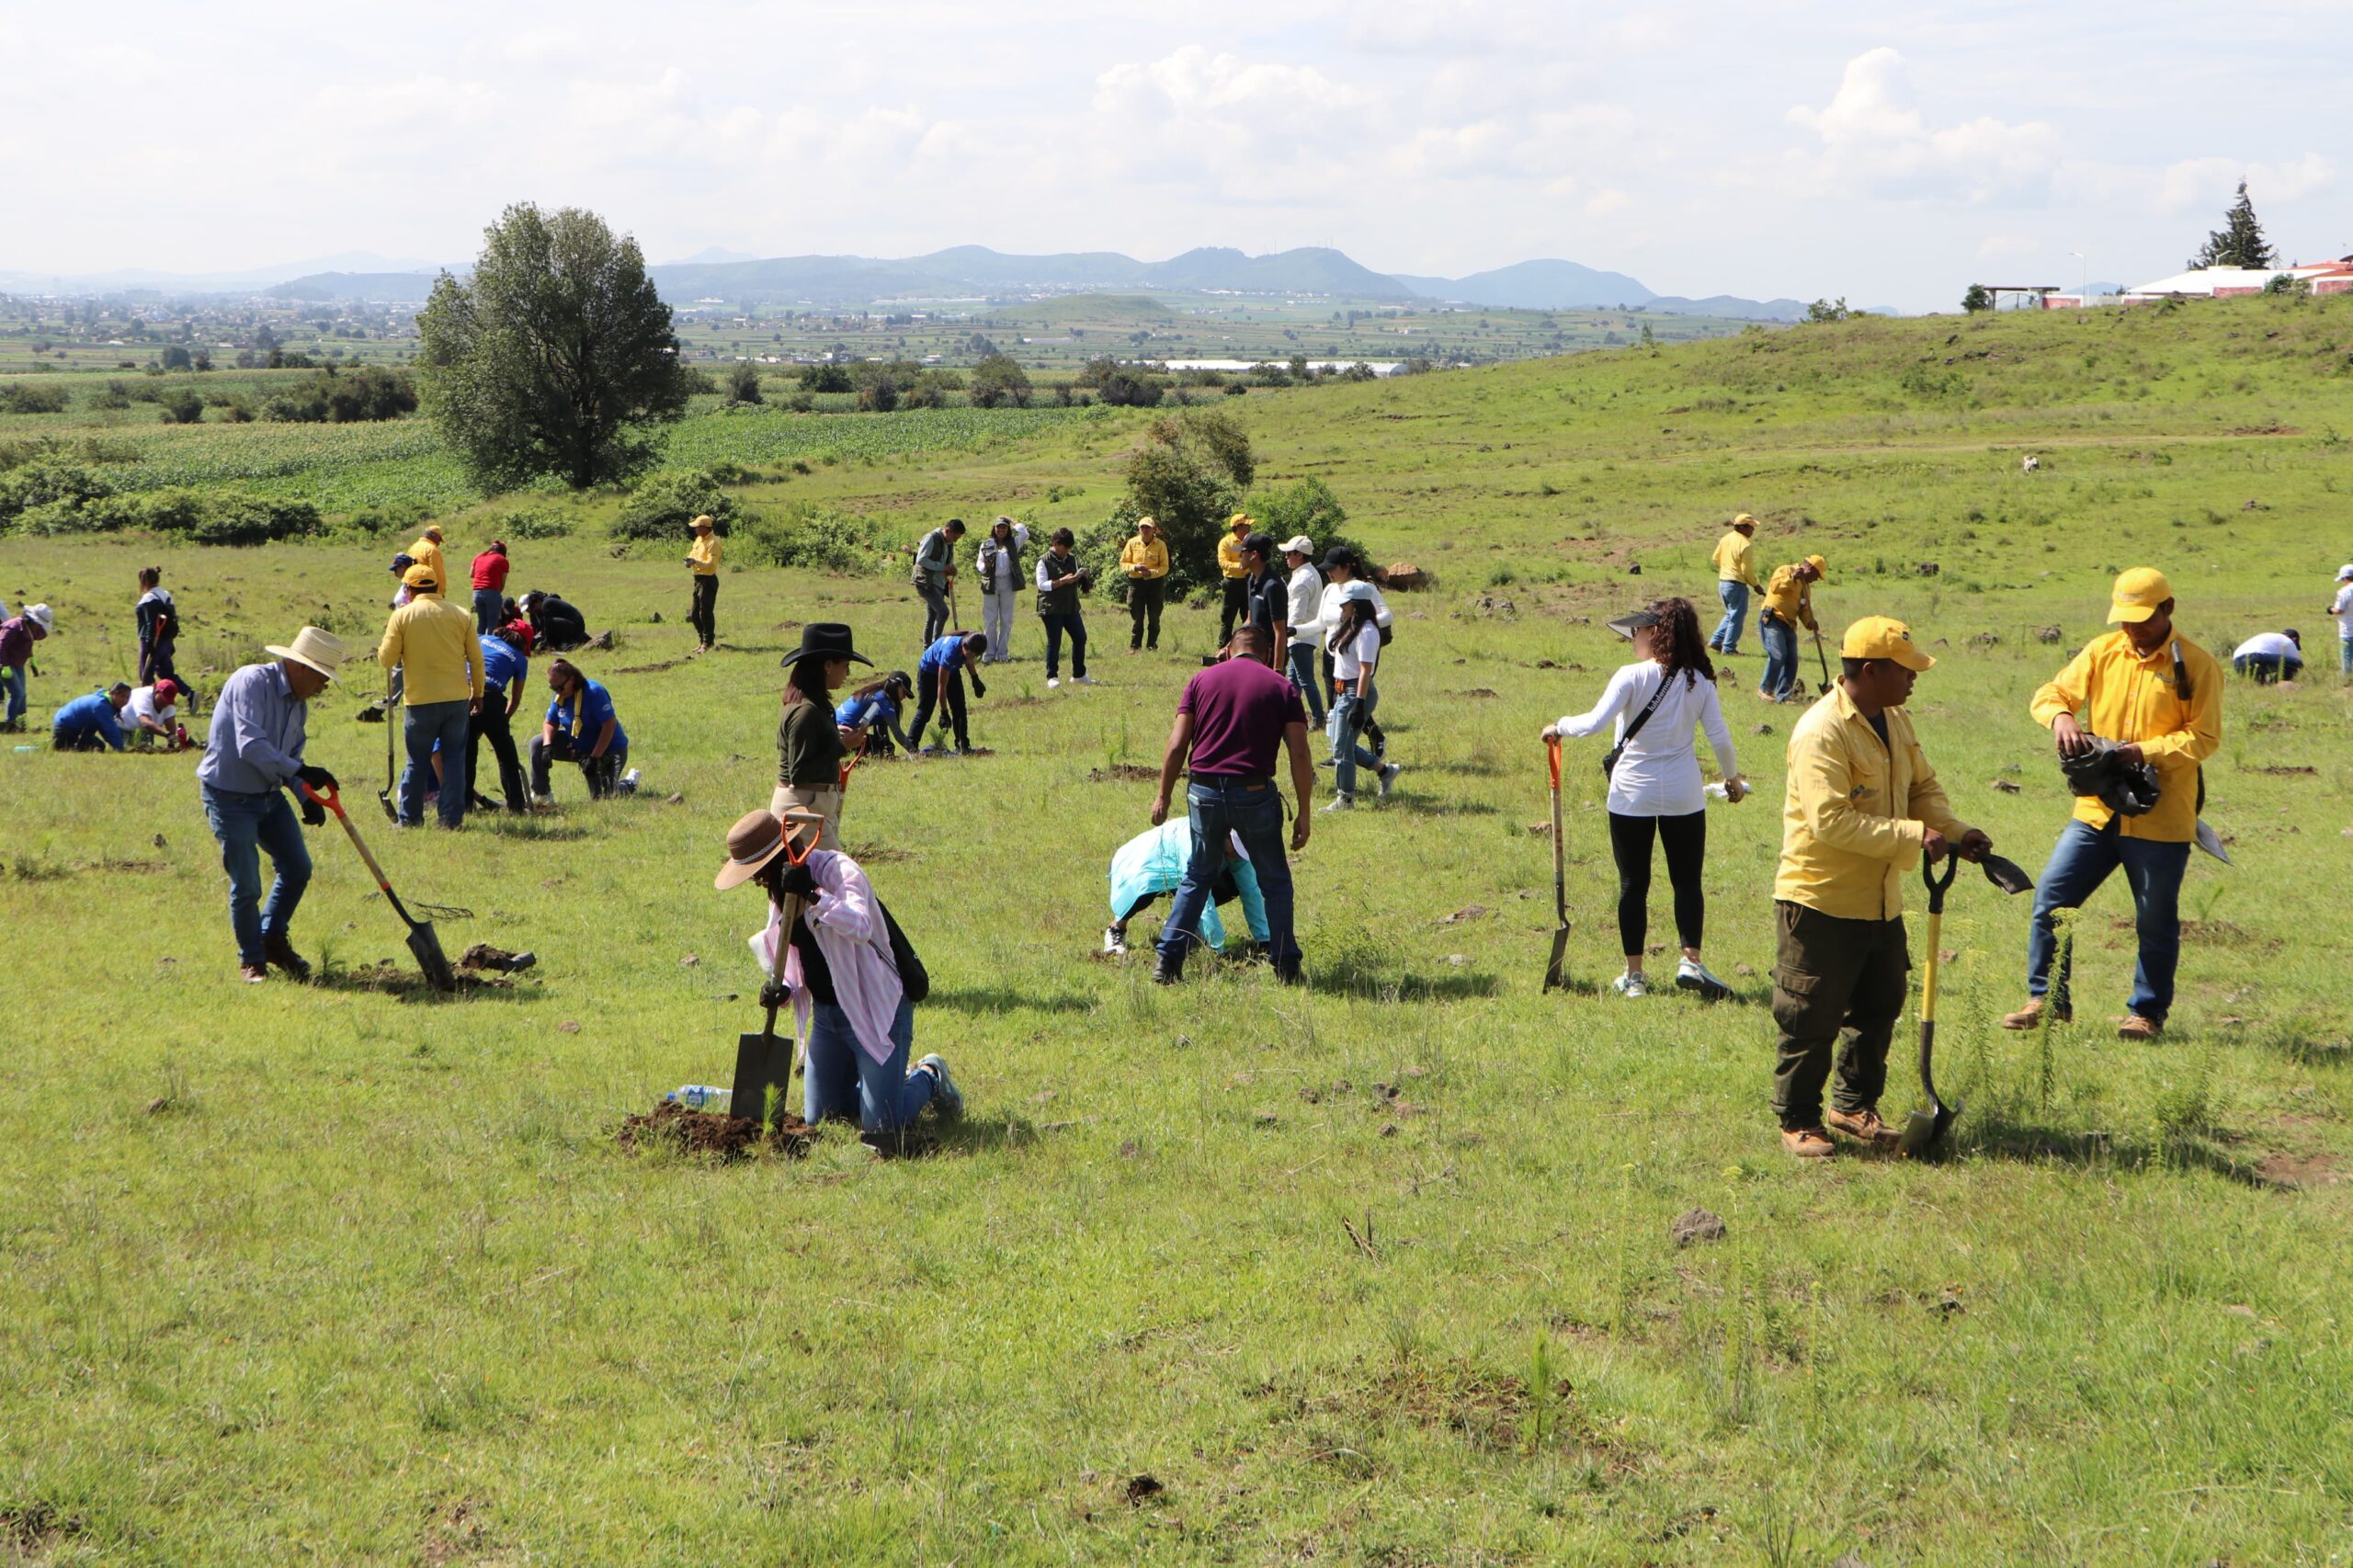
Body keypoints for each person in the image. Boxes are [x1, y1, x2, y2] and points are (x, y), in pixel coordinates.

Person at [1770, 616, 1991, 1157]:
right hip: (1820, 899)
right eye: (1905, 670)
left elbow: (1922, 789)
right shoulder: (1822, 731)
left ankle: (1853, 1105)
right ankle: (1799, 1119)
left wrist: (1956, 831)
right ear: (1870, 671)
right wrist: (1915, 836)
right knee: (1811, 1014)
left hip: (1881, 900)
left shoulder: (1896, 720)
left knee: (1879, 1006)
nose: (1914, 678)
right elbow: (1831, 821)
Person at [2002, 568, 2223, 1043]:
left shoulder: (2197, 665)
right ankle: (2047, 1000)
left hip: (2162, 816)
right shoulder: (2102, 651)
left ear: (2168, 609)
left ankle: (2147, 1013)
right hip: (2097, 810)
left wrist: (2143, 751)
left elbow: (2204, 738)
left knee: (2154, 919)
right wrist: (2062, 716)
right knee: (2052, 900)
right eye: (2125, 618)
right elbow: (2051, 694)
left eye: (2142, 619)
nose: (2132, 628)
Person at [1545, 600, 1746, 999]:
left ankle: (1634, 976)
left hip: (1631, 794)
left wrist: (1558, 726)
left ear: (1655, 633)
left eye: (1637, 631)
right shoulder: (1700, 682)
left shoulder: (1631, 676)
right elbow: (1720, 738)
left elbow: (1594, 723)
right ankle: (1690, 961)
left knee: (1633, 885)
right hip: (1683, 794)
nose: (1633, 638)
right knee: (1687, 882)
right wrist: (1732, 780)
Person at [716, 810, 962, 1135]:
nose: (757, 882)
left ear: (776, 859)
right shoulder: (781, 888)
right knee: (823, 1118)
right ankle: (877, 1088)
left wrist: (813, 893)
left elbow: (860, 925)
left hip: (875, 1011)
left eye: (758, 874)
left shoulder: (838, 871)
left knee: (881, 1128)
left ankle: (929, 1075)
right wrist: (784, 988)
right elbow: (795, 952)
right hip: (828, 1020)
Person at [1149, 624, 1313, 983]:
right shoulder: (1282, 687)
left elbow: (1177, 745)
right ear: (1267, 654)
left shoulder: (1200, 681)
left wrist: (1163, 795)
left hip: (1204, 791)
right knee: (1274, 880)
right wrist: (1304, 812)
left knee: (1198, 876)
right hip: (1254, 793)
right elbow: (1300, 754)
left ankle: (1167, 961)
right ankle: (1286, 965)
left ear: (1228, 649)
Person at [196, 626, 346, 983]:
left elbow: (289, 757)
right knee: (247, 883)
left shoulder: (298, 707)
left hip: (268, 797)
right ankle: (252, 960)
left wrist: (304, 794)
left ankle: (271, 938)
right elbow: (251, 745)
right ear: (302, 668)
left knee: (298, 867)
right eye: (322, 678)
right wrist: (300, 771)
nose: (323, 687)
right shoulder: (251, 682)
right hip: (229, 798)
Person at [377, 565, 483, 829]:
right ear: (437, 586)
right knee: (454, 760)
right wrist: (478, 693)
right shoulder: (461, 614)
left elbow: (387, 659)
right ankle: (450, 820)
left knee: (417, 761)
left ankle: (410, 819)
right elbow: (476, 660)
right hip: (456, 699)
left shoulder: (402, 616)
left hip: (420, 701)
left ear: (408, 590)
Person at [1106, 818, 1269, 957]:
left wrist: (1265, 940)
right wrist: (1218, 948)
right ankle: (1116, 930)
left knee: (1232, 884)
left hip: (1184, 871)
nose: (1234, 857)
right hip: (1140, 864)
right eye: (1234, 851)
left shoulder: (1237, 850)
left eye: (1240, 853)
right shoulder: (1196, 844)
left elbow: (1251, 891)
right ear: (1225, 835)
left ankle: (1179, 926)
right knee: (1144, 891)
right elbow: (1202, 898)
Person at [773, 622, 870, 847]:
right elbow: (800, 773)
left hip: (812, 805)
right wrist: (842, 746)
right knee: (840, 870)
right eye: (845, 665)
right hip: (803, 807)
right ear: (827, 665)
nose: (848, 673)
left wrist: (834, 737)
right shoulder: (805, 712)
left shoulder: (812, 706)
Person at [1321, 585, 1400, 810]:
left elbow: (1366, 670)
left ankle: (1345, 798)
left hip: (1355, 692)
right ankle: (1385, 771)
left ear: (1357, 605)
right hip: (1343, 691)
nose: (1342, 607)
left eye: (1346, 603)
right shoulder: (1350, 626)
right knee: (1341, 745)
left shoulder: (1367, 632)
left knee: (1341, 748)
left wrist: (1359, 703)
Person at [1308, 551, 1393, 746]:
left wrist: (1357, 624)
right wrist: (1294, 630)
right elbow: (1320, 623)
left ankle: (1359, 744)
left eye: (1333, 568)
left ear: (1347, 567)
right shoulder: (1329, 589)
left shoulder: (1363, 589)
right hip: (1332, 655)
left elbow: (1388, 616)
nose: (1329, 573)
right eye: (1326, 569)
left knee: (1353, 701)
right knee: (1335, 705)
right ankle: (1340, 749)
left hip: (1354, 654)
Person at [532, 658, 629, 802]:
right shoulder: (559, 696)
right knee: (537, 743)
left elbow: (609, 724)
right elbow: (550, 722)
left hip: (608, 749)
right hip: (579, 747)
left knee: (602, 798)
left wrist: (594, 758)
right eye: (553, 688)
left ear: (571, 679)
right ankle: (542, 794)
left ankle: (628, 784)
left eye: (560, 688)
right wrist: (547, 747)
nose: (557, 692)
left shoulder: (594, 692)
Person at [466, 623, 531, 812]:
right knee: (506, 757)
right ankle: (516, 806)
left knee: (466, 755)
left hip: (465, 694)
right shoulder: (520, 659)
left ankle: (465, 806)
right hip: (493, 700)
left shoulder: (482, 639)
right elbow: (516, 699)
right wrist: (504, 719)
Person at [1757, 554, 1825, 702]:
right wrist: (1793, 578)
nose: (1816, 579)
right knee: (1778, 655)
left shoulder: (1806, 588)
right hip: (1773, 618)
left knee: (1792, 661)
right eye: (1816, 575)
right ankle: (1765, 690)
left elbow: (1804, 609)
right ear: (1810, 568)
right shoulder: (1786, 570)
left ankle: (1784, 695)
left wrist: (1810, 622)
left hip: (1789, 624)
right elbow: (1775, 587)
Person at [909, 631, 988, 754]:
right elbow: (942, 686)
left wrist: (975, 679)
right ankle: (911, 746)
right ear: (964, 647)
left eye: (976, 656)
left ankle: (963, 746)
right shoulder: (949, 653)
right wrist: (944, 712)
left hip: (951, 669)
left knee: (959, 708)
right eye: (971, 655)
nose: (972, 659)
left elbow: (968, 660)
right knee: (925, 710)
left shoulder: (969, 644)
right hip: (929, 671)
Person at [1034, 528, 1094, 687]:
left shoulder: (1071, 558)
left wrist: (1082, 576)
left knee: (1080, 638)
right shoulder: (1043, 561)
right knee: (1054, 642)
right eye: (1064, 547)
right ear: (1055, 544)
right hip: (1051, 608)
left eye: (1069, 548)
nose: (1067, 551)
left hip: (1070, 606)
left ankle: (1079, 675)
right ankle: (1052, 677)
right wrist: (1062, 581)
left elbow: (1075, 579)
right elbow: (1042, 585)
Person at [974, 517, 1028, 663]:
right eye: (998, 527)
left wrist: (1011, 520)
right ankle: (989, 654)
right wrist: (985, 567)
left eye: (1004, 527)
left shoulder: (1014, 543)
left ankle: (1002, 654)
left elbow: (1024, 533)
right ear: (994, 528)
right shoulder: (987, 543)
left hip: (1008, 583)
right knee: (990, 620)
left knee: (1006, 619)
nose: (1001, 530)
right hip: (991, 583)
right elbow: (979, 563)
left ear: (1008, 529)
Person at [1709, 514, 1762, 655]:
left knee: (1731, 614)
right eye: (1751, 527)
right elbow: (1746, 570)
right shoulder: (1745, 544)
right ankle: (1729, 648)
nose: (1753, 530)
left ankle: (1716, 641)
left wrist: (1728, 567)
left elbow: (1716, 558)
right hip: (1736, 584)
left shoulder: (1726, 538)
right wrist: (1755, 585)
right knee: (1737, 617)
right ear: (1743, 528)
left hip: (1723, 582)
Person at [836, 671, 916, 759]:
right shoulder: (883, 701)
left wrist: (885, 747)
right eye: (904, 692)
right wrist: (915, 752)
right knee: (884, 747)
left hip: (834, 731)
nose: (905, 697)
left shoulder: (877, 694)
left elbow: (867, 722)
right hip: (841, 736)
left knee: (885, 746)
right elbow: (897, 733)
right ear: (895, 685)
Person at [1120, 517, 1170, 653]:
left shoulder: (1160, 545)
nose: (1145, 530)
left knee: (1154, 616)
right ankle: (1135, 647)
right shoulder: (1132, 543)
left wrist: (1151, 573)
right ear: (1139, 529)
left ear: (1154, 530)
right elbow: (1123, 563)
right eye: (1142, 527)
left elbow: (1165, 567)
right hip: (1136, 583)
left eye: (1148, 527)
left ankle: (1152, 645)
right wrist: (1135, 567)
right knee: (1137, 616)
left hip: (1155, 583)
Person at [911, 517, 964, 646]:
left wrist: (951, 569)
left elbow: (947, 562)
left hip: (939, 583)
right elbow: (921, 560)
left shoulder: (949, 543)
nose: (955, 541)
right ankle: (935, 646)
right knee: (943, 612)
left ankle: (928, 649)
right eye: (955, 537)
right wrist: (943, 567)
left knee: (932, 618)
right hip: (926, 582)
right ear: (948, 531)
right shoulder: (931, 538)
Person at [0, 603, 51, 733]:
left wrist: (32, 661)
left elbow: (26, 646)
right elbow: (2, 645)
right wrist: (4, 666)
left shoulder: (29, 630)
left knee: (22, 695)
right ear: (33, 621)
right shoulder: (14, 626)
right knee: (17, 693)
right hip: (6, 664)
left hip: (18, 664)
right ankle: (10, 724)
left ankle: (21, 724)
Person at [1240, 532, 1289, 664]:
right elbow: (1249, 620)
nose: (1239, 556)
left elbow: (1280, 632)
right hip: (1254, 655)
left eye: (1242, 552)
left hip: (1269, 660)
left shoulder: (1273, 586)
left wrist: (1277, 670)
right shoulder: (1252, 580)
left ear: (1254, 555)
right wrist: (1230, 645)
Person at [135, 566, 184, 693]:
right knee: (167, 674)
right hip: (166, 641)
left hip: (152, 640)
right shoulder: (166, 595)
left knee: (146, 676)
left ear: (144, 581)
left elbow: (151, 623)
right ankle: (189, 693)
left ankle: (149, 699)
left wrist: (149, 644)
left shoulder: (148, 598)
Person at [51, 684, 132, 752]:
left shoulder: (103, 698)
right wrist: (120, 749)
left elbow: (104, 728)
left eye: (127, 698)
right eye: (122, 696)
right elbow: (109, 729)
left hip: (76, 726)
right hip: (66, 727)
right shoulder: (102, 706)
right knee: (65, 749)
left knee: (98, 746)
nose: (125, 700)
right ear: (112, 693)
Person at [686, 515, 722, 652]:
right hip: (698, 579)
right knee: (695, 614)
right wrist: (689, 561)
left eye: (697, 527)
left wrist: (696, 562)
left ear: (705, 527)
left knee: (705, 613)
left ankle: (708, 642)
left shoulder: (713, 543)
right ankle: (702, 641)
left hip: (708, 580)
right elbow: (693, 554)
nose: (695, 529)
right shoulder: (699, 540)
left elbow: (711, 564)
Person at [1216, 513, 1254, 643]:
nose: (1249, 527)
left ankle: (1248, 645)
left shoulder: (1251, 542)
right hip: (1231, 584)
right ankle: (1223, 647)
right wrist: (1241, 566)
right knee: (1228, 618)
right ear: (1238, 527)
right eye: (1247, 525)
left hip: (1248, 581)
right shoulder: (1226, 542)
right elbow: (1223, 563)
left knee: (1249, 616)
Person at [520, 590, 589, 653]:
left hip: (576, 628)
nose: (532, 610)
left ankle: (569, 643)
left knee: (550, 623)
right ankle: (563, 644)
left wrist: (545, 646)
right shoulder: (546, 604)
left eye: (532, 607)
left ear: (538, 601)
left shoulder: (546, 604)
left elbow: (547, 628)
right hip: (574, 627)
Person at [122, 678, 184, 747]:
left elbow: (170, 723)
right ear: (157, 692)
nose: (165, 703)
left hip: (144, 732)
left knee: (145, 747)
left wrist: (171, 743)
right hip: (123, 730)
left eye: (168, 701)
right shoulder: (143, 696)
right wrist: (167, 734)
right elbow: (145, 722)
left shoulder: (169, 703)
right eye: (163, 700)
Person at [469, 540, 511, 635]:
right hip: (492, 592)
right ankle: (489, 642)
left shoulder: (479, 556)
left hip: (476, 593)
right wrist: (497, 593)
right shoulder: (502, 560)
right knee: (492, 623)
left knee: (481, 622)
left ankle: (479, 642)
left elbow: (471, 574)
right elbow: (502, 581)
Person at [2230, 629, 2302, 684]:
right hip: (2256, 657)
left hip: (2237, 663)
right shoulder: (2289, 641)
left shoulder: (2269, 637)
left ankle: (2264, 685)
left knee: (2261, 680)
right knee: (2297, 664)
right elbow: (2295, 661)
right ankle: (2273, 685)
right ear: (2294, 639)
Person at [406, 527, 448, 598]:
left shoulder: (412, 548)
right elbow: (437, 573)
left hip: (413, 589)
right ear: (434, 536)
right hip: (428, 590)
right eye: (439, 539)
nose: (439, 543)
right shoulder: (432, 550)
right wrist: (440, 593)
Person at [2328, 564, 2353, 678]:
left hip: (2348, 631)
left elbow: (2339, 610)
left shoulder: (2344, 591)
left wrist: (2330, 610)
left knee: (2347, 658)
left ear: (2345, 578)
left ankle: (2347, 680)